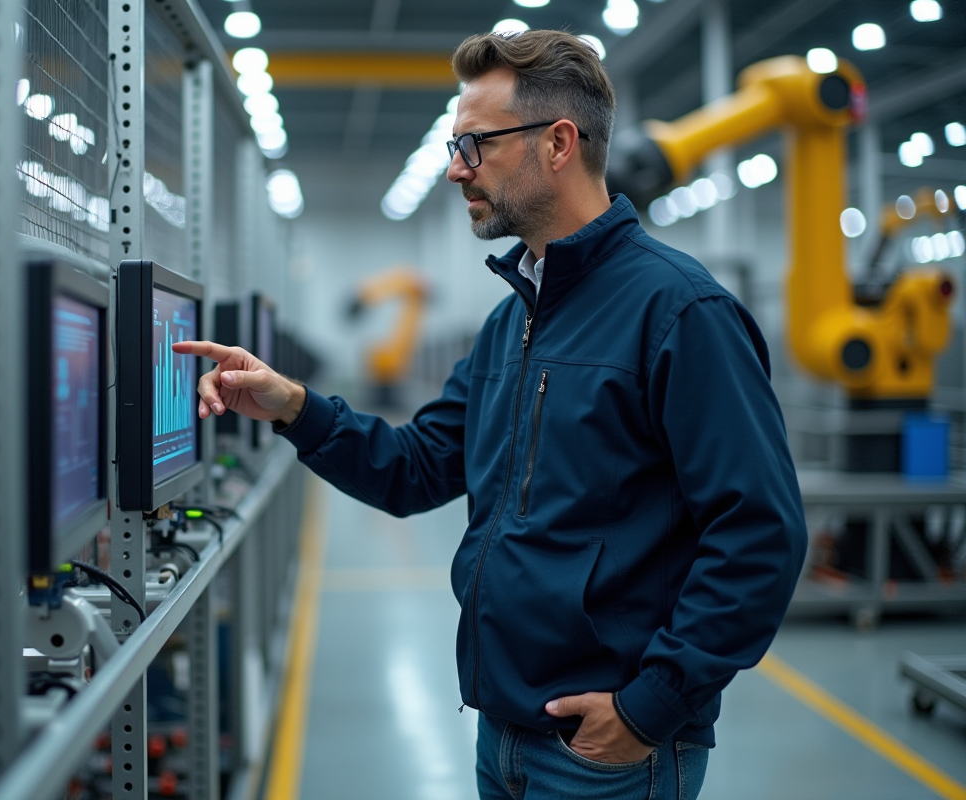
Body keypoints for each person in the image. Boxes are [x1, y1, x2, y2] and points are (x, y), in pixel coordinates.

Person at [175, 29, 807, 800]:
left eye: (473, 146)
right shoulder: (514, 324)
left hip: (607, 753)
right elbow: (415, 468)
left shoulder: (679, 311)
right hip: (501, 727)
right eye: (453, 146)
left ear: (559, 144)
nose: (453, 170)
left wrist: (650, 708)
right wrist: (294, 408)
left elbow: (759, 532)